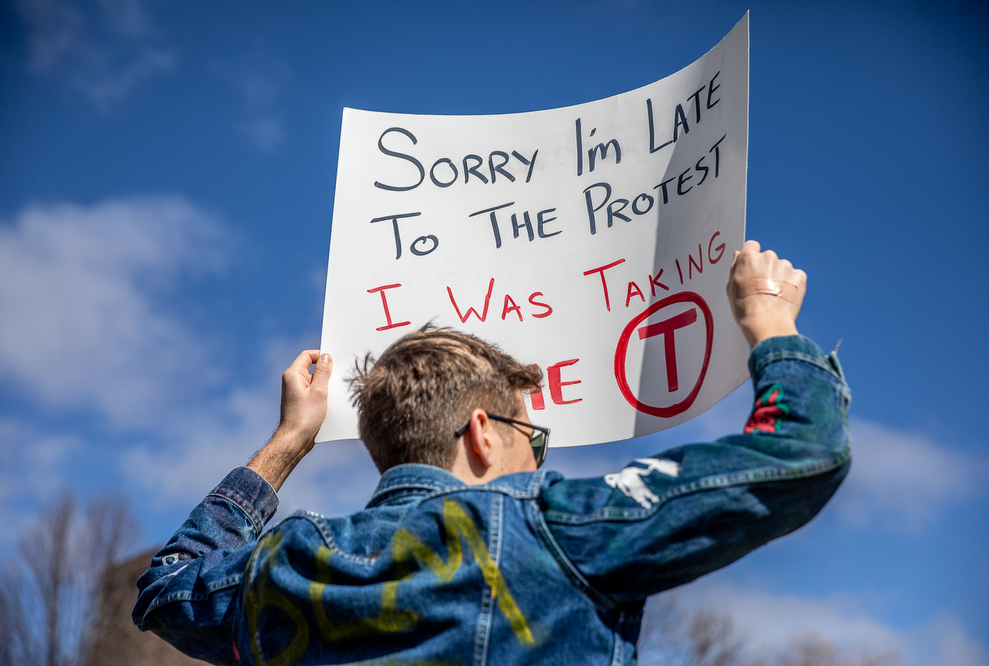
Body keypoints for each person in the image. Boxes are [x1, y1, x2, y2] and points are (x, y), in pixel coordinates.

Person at [133, 241, 851, 665]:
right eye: (532, 437)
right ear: (482, 432)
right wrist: (771, 324)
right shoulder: (549, 531)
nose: (539, 461)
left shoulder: (286, 565)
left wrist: (289, 441)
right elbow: (804, 452)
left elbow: (169, 586)